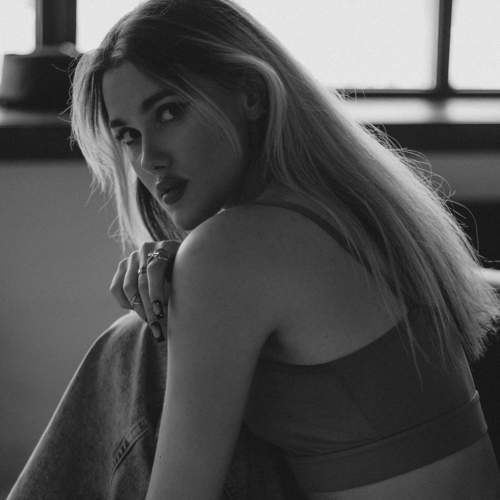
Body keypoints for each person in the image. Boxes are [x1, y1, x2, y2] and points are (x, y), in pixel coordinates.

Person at [7, 0, 500, 498]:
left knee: (137, 345)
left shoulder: (231, 254)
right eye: (129, 136)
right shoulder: (353, 213)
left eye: (170, 111)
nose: (149, 158)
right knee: (144, 338)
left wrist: (190, 286)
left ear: (250, 94)